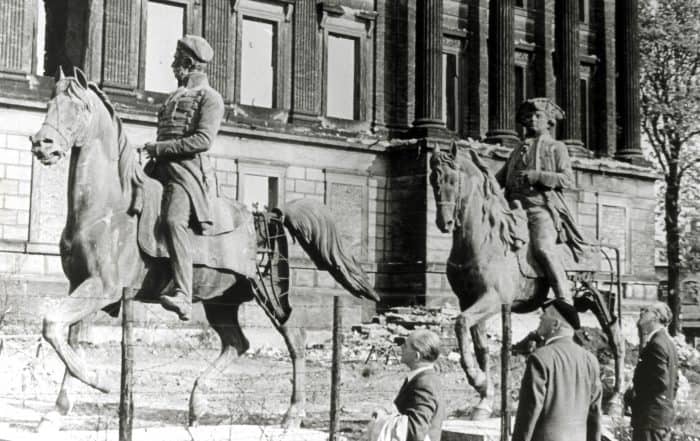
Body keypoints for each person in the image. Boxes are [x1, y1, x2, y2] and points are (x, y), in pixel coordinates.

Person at [140, 35, 225, 321]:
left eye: (177, 60)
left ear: (188, 64)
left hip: (184, 174)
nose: (173, 64)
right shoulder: (174, 96)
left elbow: (202, 140)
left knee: (174, 221)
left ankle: (184, 295)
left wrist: (160, 148)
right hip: (157, 169)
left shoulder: (210, 98)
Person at [495, 98, 586, 305]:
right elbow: (499, 179)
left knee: (543, 248)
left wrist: (538, 176)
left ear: (549, 122)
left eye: (537, 116)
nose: (532, 120)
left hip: (540, 210)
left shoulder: (556, 147)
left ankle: (564, 298)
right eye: (528, 117)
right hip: (512, 210)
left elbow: (567, 179)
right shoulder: (518, 149)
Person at [512, 299, 602, 441]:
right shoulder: (590, 360)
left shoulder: (540, 357)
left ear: (555, 324)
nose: (540, 317)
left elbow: (529, 410)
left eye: (545, 314)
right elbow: (595, 411)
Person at [368, 330, 446, 441]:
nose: (401, 347)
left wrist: (382, 419)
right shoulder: (422, 378)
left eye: (406, 345)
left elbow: (415, 430)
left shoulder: (424, 384)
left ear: (417, 355)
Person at [624, 302, 678, 441]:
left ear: (656, 317)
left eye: (646, 310)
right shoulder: (667, 342)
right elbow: (674, 382)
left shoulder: (656, 344)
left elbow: (661, 383)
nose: (641, 313)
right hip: (660, 417)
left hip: (650, 418)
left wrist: (636, 395)